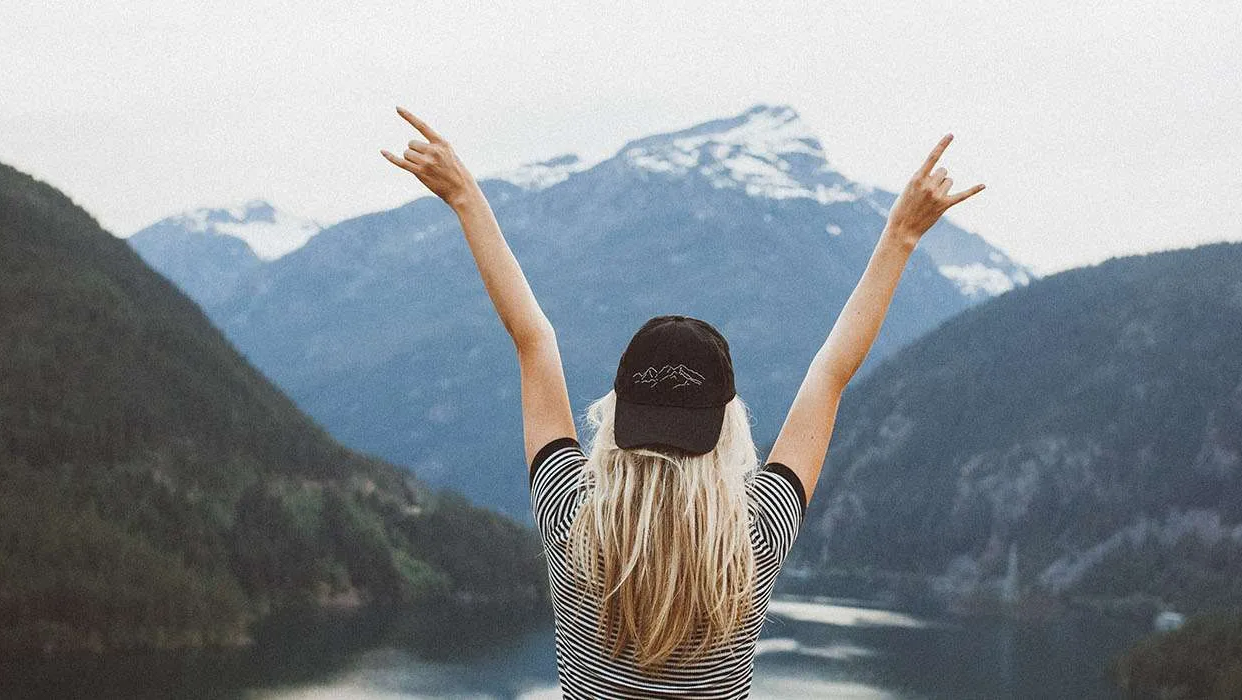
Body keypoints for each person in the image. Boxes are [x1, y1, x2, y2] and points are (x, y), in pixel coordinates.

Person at [381, 105, 983, 698]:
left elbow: (533, 339)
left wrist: (465, 198)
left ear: (616, 418)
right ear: (725, 428)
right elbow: (830, 374)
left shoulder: (571, 521)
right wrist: (901, 235)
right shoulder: (753, 537)